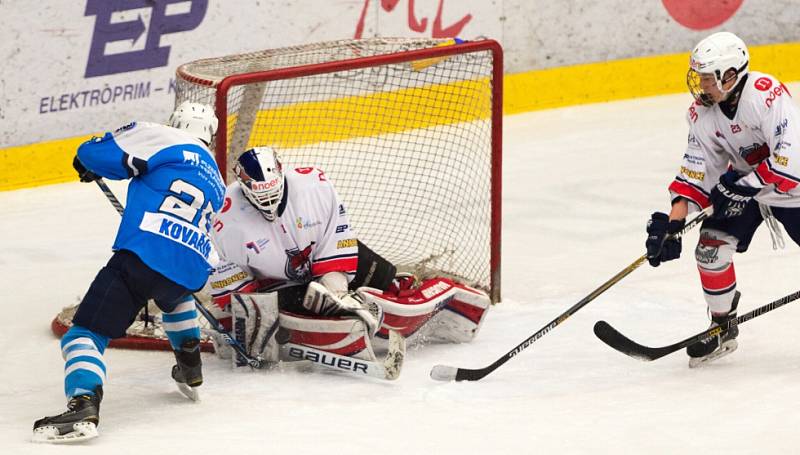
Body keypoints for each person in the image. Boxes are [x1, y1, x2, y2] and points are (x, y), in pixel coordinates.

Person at [33, 102, 225, 443]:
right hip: (194, 264)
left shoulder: (161, 136)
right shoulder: (216, 176)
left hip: (143, 255)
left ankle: (83, 402)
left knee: (84, 334)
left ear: (175, 120)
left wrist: (89, 161)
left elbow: (96, 153)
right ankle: (190, 364)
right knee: (176, 293)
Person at [206, 146, 491, 369]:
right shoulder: (224, 215)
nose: (268, 202)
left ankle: (392, 288)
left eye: (272, 192)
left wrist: (334, 285)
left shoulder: (314, 185)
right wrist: (249, 316)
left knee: (382, 275)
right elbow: (227, 271)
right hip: (278, 285)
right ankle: (324, 309)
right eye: (260, 195)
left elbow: (336, 234)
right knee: (292, 303)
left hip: (323, 261)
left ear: (282, 174)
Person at [645, 31, 800, 367]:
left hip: (793, 190)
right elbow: (696, 171)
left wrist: (741, 186)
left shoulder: (764, 94)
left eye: (707, 79)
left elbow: (791, 159)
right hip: (748, 185)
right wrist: (672, 223)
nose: (701, 86)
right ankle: (722, 328)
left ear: (730, 75)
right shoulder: (702, 113)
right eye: (698, 78)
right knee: (710, 249)